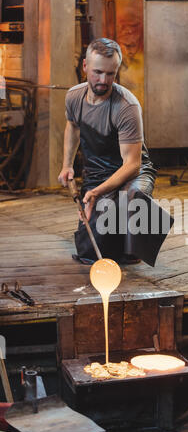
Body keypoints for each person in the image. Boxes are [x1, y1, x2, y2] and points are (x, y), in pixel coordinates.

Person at [58, 38, 173, 267]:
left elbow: (133, 164)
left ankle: (139, 237)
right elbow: (72, 126)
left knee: (130, 200)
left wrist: (97, 192)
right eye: (97, 72)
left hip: (133, 174)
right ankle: (117, 233)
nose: (103, 81)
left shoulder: (126, 106)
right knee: (90, 251)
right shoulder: (74, 97)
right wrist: (67, 165)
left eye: (111, 74)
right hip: (98, 172)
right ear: (84, 67)